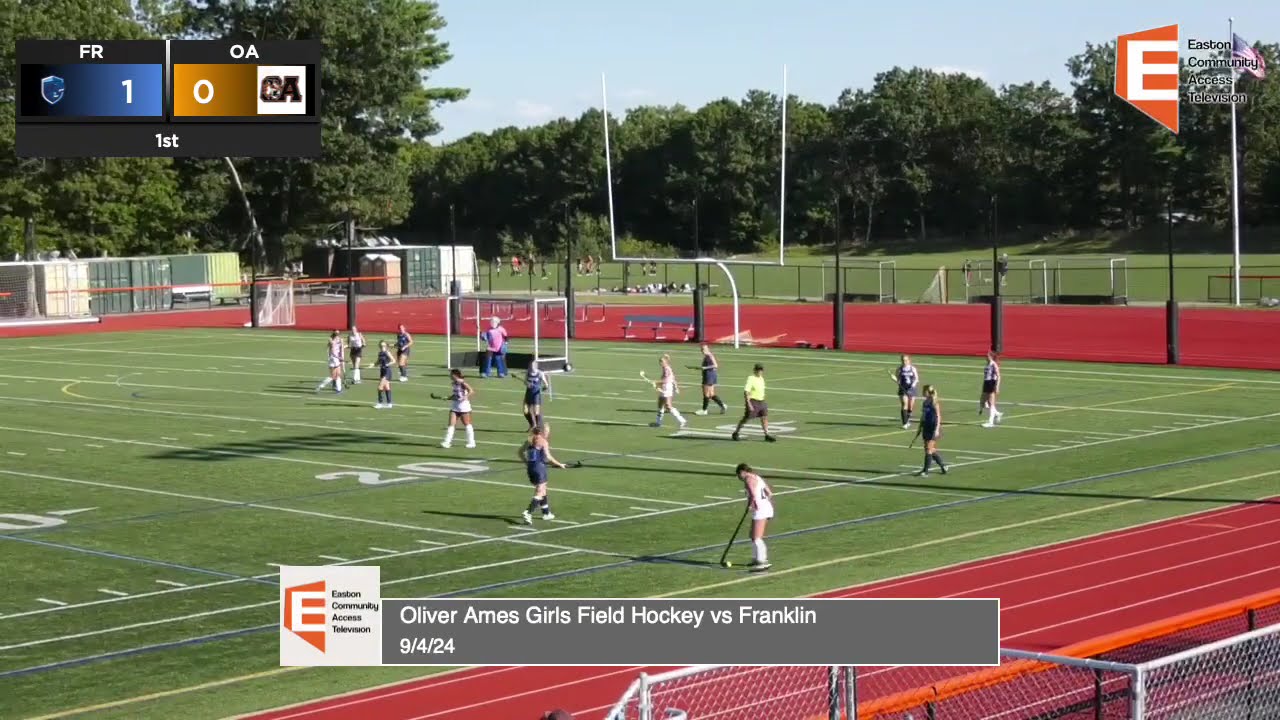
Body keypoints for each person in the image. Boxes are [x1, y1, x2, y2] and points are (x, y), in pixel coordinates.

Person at [520, 423, 566, 523]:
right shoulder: (543, 441)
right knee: (540, 491)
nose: (548, 433)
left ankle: (546, 513)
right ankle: (528, 512)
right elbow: (548, 457)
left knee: (543, 489)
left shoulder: (529, 440)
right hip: (539, 468)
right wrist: (559, 464)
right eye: (547, 431)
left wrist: (527, 462)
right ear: (543, 432)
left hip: (531, 468)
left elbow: (520, 452)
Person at [735, 463, 773, 571]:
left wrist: (752, 505)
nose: (739, 478)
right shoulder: (757, 477)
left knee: (756, 538)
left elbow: (752, 494)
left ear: (742, 472)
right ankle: (756, 559)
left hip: (760, 510)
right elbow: (769, 493)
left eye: (738, 475)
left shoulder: (748, 479)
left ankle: (762, 561)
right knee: (753, 536)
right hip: (765, 508)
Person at [732, 363, 775, 442]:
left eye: (761, 370)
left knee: (764, 418)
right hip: (753, 401)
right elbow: (746, 391)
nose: (760, 371)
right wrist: (749, 404)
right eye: (758, 370)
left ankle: (767, 434)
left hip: (761, 401)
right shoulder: (751, 378)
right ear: (755, 370)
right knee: (747, 418)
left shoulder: (761, 378)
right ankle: (736, 432)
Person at [915, 385, 948, 476]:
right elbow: (923, 416)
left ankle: (925, 471)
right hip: (926, 426)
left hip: (933, 427)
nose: (922, 392)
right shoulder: (925, 402)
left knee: (929, 449)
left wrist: (937, 429)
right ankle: (943, 465)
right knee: (929, 449)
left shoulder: (934, 402)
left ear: (927, 392)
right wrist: (920, 427)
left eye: (923, 391)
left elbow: (938, 416)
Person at [441, 369, 477, 449]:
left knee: (467, 424)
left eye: (451, 374)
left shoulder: (462, 382)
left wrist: (465, 397)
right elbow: (456, 395)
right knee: (451, 424)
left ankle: (471, 442)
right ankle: (447, 442)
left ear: (455, 375)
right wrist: (448, 397)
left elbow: (471, 391)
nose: (450, 376)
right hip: (455, 406)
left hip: (464, 407)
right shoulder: (453, 383)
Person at [651, 354, 687, 429]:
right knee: (660, 404)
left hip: (667, 388)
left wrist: (656, 382)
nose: (660, 363)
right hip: (664, 387)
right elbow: (673, 378)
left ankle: (682, 420)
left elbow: (666, 380)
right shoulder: (666, 368)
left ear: (665, 362)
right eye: (660, 362)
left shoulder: (667, 369)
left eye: (662, 362)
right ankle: (658, 422)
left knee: (668, 406)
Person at [695, 343, 726, 415]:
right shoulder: (707, 356)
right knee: (711, 394)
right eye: (702, 349)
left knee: (706, 394)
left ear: (707, 349)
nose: (703, 351)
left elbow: (715, 365)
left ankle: (704, 410)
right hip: (710, 375)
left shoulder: (709, 355)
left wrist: (704, 368)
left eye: (704, 349)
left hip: (709, 375)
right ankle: (722, 405)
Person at [893, 354, 920, 429]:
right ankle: (904, 423)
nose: (904, 362)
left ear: (909, 360)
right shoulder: (899, 369)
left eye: (906, 360)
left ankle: (908, 420)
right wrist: (894, 379)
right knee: (904, 404)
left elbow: (916, 379)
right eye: (903, 360)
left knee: (910, 406)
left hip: (911, 388)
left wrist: (913, 386)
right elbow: (898, 380)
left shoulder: (913, 368)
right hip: (903, 388)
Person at [522, 359, 549, 429]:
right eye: (530, 366)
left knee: (536, 412)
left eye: (532, 366)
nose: (531, 367)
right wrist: (527, 384)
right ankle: (532, 424)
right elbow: (525, 381)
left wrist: (545, 387)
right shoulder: (527, 372)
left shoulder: (540, 373)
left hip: (536, 394)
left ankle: (538, 427)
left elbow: (546, 384)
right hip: (528, 393)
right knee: (525, 411)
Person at [980, 351, 1004, 428]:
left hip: (991, 383)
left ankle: (991, 422)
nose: (985, 357)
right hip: (986, 383)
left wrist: (997, 386)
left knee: (991, 403)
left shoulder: (994, 364)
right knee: (983, 401)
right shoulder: (987, 364)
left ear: (990, 356)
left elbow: (999, 376)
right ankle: (997, 414)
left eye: (987, 356)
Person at [374, 340, 395, 409]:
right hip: (382, 371)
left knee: (380, 387)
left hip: (387, 371)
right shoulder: (380, 353)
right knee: (387, 387)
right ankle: (389, 403)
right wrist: (374, 364)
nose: (382, 347)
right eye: (381, 346)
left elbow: (393, 361)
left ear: (386, 346)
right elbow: (378, 362)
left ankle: (380, 403)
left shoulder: (387, 352)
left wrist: (387, 364)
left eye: (383, 345)